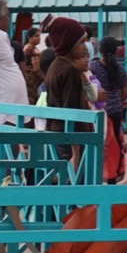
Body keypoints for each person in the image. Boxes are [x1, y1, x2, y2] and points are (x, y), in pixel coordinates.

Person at [42, 16, 94, 168]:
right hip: (72, 137)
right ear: (69, 43)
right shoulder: (70, 71)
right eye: (81, 43)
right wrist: (75, 147)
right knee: (77, 178)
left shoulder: (55, 66)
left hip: (57, 131)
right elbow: (72, 109)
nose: (84, 48)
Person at [90, 36, 127, 182]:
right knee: (115, 145)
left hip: (101, 112)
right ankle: (114, 174)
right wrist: (118, 101)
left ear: (100, 51)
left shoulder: (94, 67)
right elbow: (125, 92)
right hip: (116, 112)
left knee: (100, 144)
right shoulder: (120, 69)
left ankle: (98, 175)